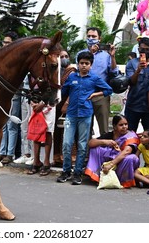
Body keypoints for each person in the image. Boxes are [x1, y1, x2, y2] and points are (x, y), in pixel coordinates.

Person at [57, 51, 113, 185]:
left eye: (86, 63)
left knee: (82, 145)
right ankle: (66, 171)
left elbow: (108, 90)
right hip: (71, 114)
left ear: (91, 65)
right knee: (67, 143)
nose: (84, 66)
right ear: (78, 64)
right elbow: (63, 92)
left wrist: (95, 95)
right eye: (81, 63)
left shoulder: (94, 78)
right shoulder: (71, 77)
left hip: (86, 115)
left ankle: (77, 172)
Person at [76, 27, 119, 136]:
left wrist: (112, 56)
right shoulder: (81, 54)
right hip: (85, 94)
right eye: (89, 36)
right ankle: (86, 152)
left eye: (94, 36)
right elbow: (79, 71)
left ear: (99, 39)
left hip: (101, 95)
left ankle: (104, 152)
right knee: (85, 129)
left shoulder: (106, 55)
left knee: (104, 128)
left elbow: (114, 72)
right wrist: (90, 53)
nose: (91, 38)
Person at [85, 114, 140, 188]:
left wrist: (111, 164)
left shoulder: (131, 136)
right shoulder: (110, 135)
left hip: (123, 163)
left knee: (130, 158)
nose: (124, 127)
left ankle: (124, 181)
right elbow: (91, 143)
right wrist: (105, 142)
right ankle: (99, 177)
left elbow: (126, 152)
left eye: (126, 124)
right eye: (121, 125)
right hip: (112, 162)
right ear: (114, 127)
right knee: (96, 149)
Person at [124, 37, 149, 132]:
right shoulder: (132, 63)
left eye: (146, 49)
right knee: (129, 134)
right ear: (138, 49)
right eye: (141, 49)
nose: (144, 51)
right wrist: (138, 70)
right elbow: (131, 82)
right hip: (133, 105)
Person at [0, 31, 22, 164]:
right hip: (1, 94)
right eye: (4, 42)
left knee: (12, 124)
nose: (5, 45)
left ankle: (10, 153)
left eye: (8, 43)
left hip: (14, 93)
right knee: (2, 124)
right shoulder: (1, 56)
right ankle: (1, 152)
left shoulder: (17, 58)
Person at [52, 50, 76, 167]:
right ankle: (57, 157)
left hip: (68, 105)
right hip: (56, 104)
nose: (64, 58)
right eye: (61, 57)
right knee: (57, 132)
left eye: (66, 56)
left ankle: (70, 158)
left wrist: (67, 103)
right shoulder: (55, 71)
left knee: (68, 132)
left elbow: (74, 89)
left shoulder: (72, 71)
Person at [27, 99, 56, 176]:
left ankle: (46, 162)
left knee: (48, 131)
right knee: (36, 129)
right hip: (36, 103)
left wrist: (43, 104)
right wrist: (32, 102)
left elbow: (55, 93)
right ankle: (36, 162)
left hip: (49, 104)